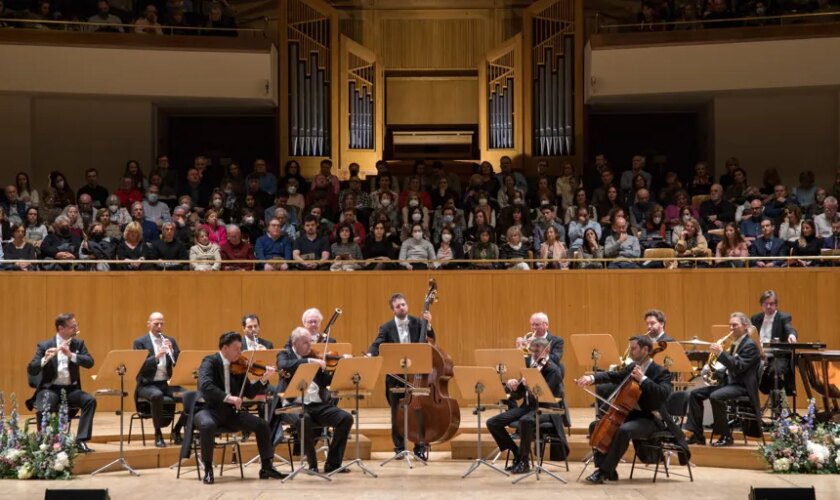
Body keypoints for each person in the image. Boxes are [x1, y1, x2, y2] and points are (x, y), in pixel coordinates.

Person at [576, 335, 673, 483]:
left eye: (633, 349)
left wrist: (643, 380)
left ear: (645, 349)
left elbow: (663, 394)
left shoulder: (661, 372)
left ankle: (603, 472)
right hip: (631, 415)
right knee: (595, 425)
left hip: (650, 418)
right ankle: (609, 470)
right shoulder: (633, 367)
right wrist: (592, 378)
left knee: (624, 430)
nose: (630, 352)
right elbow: (613, 375)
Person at [192, 332, 285, 484]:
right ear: (225, 348)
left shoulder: (239, 365)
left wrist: (263, 379)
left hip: (230, 413)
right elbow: (206, 386)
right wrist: (229, 398)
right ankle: (208, 470)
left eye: (240, 348)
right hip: (208, 410)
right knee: (207, 425)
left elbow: (248, 392)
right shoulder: (209, 361)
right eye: (236, 349)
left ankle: (267, 467)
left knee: (261, 424)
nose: (239, 352)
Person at [276, 328, 353, 474]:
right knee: (303, 419)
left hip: (318, 405)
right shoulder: (285, 355)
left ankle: (333, 464)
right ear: (295, 342)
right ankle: (312, 464)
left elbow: (326, 381)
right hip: (293, 406)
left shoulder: (314, 355)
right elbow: (283, 366)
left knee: (346, 418)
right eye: (305, 342)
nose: (309, 346)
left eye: (310, 342)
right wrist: (309, 361)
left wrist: (342, 367)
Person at [366, 293, 435, 459]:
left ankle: (420, 447)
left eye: (403, 304)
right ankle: (399, 448)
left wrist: (429, 324)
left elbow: (431, 340)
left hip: (417, 377)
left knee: (418, 412)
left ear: (407, 305)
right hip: (395, 377)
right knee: (396, 414)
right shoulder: (386, 327)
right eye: (398, 306)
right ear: (393, 310)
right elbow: (378, 343)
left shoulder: (419, 322)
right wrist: (370, 354)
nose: (402, 307)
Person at [486, 337, 568, 474]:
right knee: (493, 422)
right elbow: (518, 396)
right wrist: (513, 385)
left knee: (525, 421)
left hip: (547, 410)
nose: (535, 355)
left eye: (537, 352)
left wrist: (530, 383)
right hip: (528, 408)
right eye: (533, 352)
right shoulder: (531, 367)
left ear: (547, 350)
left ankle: (524, 463)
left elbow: (544, 396)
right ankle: (517, 453)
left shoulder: (553, 370)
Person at [685, 312, 761, 447]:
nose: (731, 328)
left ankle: (726, 436)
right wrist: (714, 369)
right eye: (730, 325)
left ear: (745, 326)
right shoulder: (735, 343)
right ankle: (697, 435)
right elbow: (729, 365)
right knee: (695, 394)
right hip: (730, 383)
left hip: (742, 386)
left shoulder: (750, 345)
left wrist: (721, 353)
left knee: (716, 396)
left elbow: (738, 367)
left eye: (735, 325)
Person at [26, 313, 96, 453]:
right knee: (46, 403)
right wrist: (44, 359)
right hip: (50, 389)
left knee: (90, 400)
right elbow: (31, 369)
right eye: (72, 326)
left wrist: (71, 355)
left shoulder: (78, 344)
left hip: (70, 390)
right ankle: (44, 443)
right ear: (61, 328)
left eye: (77, 326)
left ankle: (81, 440)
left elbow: (90, 363)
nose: (76, 329)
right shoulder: (45, 345)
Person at [133, 312, 186, 448]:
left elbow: (179, 363)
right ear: (149, 324)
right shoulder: (140, 342)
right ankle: (158, 433)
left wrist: (172, 351)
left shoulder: (170, 340)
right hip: (146, 385)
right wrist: (158, 355)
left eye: (162, 323)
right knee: (157, 395)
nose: (159, 326)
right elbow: (139, 366)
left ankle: (177, 430)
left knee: (190, 397)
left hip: (165, 384)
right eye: (156, 323)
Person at [751, 291, 797, 395]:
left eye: (771, 304)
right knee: (744, 370)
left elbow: (789, 328)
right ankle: (748, 406)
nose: (768, 306)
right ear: (761, 305)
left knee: (774, 372)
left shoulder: (783, 317)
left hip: (777, 356)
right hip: (758, 356)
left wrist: (792, 335)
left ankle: (778, 399)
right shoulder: (755, 318)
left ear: (776, 305)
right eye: (765, 304)